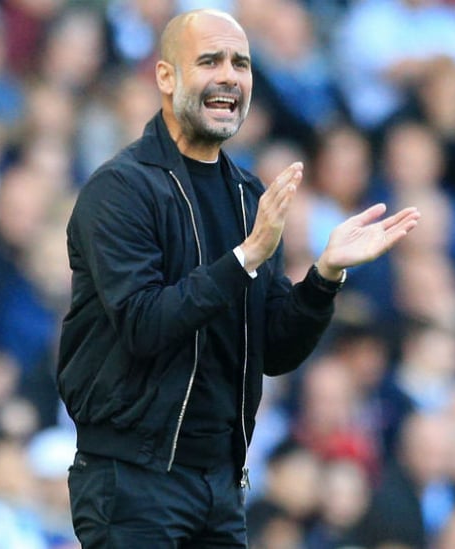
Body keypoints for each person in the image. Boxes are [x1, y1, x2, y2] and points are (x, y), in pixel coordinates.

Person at [57, 8, 421, 548]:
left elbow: (273, 349)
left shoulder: (249, 196)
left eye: (242, 63)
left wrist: (324, 276)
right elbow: (143, 324)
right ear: (165, 76)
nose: (230, 75)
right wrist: (246, 256)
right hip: (131, 482)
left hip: (220, 488)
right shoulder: (121, 190)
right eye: (210, 60)